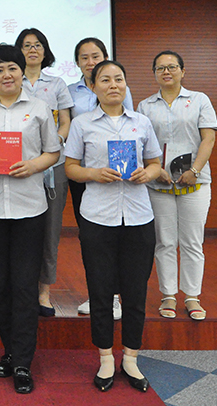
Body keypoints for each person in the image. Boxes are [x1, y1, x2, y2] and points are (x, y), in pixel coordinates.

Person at [0, 44, 60, 394]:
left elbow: (53, 151)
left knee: (24, 285)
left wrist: (32, 165)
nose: (7, 75)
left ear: (22, 72)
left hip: (29, 208)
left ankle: (22, 361)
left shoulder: (39, 108)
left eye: (12, 68)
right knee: (0, 285)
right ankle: (9, 350)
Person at [64, 60, 161, 394]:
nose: (113, 85)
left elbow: (155, 163)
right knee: (100, 290)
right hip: (98, 217)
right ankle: (105, 357)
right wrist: (94, 173)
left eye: (119, 79)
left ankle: (131, 358)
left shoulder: (141, 122)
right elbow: (71, 167)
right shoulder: (82, 124)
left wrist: (148, 173)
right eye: (105, 80)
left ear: (126, 85)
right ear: (93, 87)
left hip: (138, 217)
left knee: (135, 291)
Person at [137, 50, 217, 321]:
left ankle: (192, 296)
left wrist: (195, 170)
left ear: (183, 71)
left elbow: (208, 139)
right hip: (158, 183)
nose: (166, 72)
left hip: (195, 183)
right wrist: (156, 170)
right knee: (165, 241)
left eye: (172, 67)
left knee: (192, 241)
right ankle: (169, 295)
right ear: (154, 74)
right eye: (160, 68)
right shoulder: (145, 106)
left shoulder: (199, 100)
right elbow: (141, 144)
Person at [68, 37, 133, 319]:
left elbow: (128, 127)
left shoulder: (118, 88)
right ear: (77, 62)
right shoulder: (70, 92)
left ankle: (115, 297)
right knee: (90, 236)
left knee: (117, 235)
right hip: (82, 173)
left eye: (95, 56)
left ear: (104, 57)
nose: (90, 62)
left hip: (116, 172)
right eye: (84, 57)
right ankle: (96, 294)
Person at [15, 28, 74, 317]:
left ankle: (44, 292)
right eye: (26, 45)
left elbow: (66, 121)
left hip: (53, 165)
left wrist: (54, 143)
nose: (32, 50)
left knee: (50, 230)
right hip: (20, 166)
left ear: (45, 50)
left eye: (37, 45)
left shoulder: (57, 83)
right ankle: (22, 289)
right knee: (22, 230)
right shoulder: (12, 81)